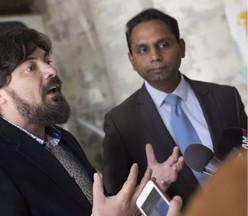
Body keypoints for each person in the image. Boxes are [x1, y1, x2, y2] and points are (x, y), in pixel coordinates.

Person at [0, 28, 182, 216]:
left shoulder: (61, 139)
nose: (51, 70)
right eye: (30, 67)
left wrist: (146, 192)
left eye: (46, 61)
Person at [102, 7, 247, 208]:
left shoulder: (225, 98)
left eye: (163, 44)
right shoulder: (120, 123)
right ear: (131, 60)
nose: (154, 56)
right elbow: (117, 200)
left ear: (182, 47)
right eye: (143, 49)